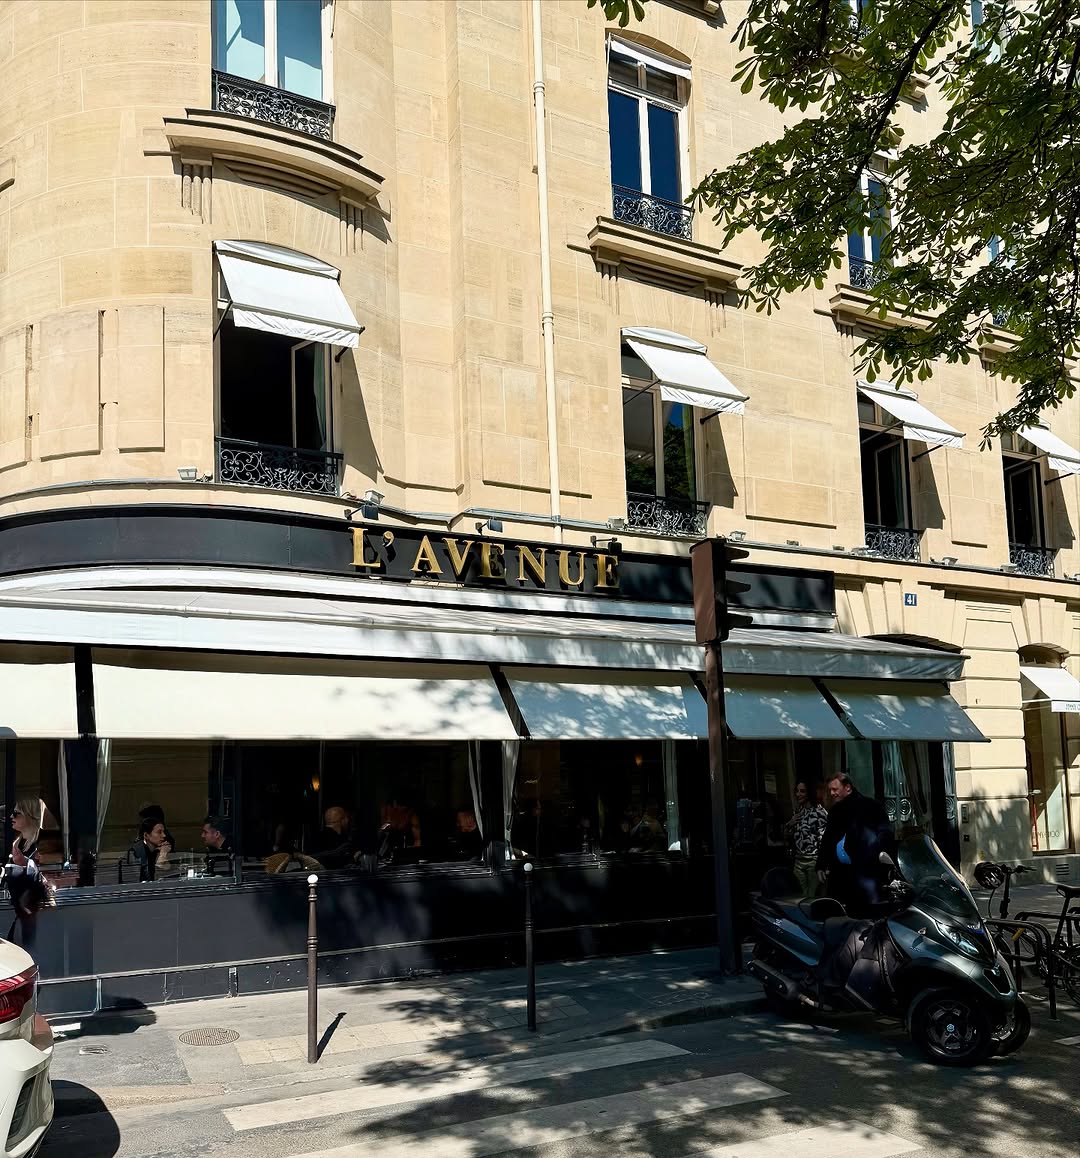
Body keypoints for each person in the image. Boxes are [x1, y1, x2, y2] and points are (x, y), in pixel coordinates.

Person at [816, 773, 895, 916]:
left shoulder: (871, 806)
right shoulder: (835, 811)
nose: (832, 793)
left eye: (835, 789)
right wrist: (821, 864)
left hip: (864, 873)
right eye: (830, 790)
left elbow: (885, 833)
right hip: (840, 874)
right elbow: (828, 839)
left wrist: (873, 854)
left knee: (864, 914)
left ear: (847, 787)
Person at [4, 799, 54, 948]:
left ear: (30, 816)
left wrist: (25, 864)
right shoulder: (18, 844)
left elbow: (49, 877)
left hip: (34, 914)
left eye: (16, 813)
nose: (11, 817)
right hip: (20, 914)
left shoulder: (41, 845)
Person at [784, 781, 828, 897]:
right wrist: (790, 824)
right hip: (799, 861)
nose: (798, 794)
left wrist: (824, 865)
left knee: (811, 897)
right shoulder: (799, 812)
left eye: (802, 791)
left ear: (810, 793)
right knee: (799, 897)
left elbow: (825, 840)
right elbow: (787, 836)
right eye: (797, 791)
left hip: (813, 860)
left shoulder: (820, 812)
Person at [128, 817, 172, 882]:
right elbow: (154, 878)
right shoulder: (137, 853)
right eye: (159, 832)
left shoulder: (157, 851)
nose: (164, 835)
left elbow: (168, 873)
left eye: (164, 832)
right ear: (146, 835)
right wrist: (163, 855)